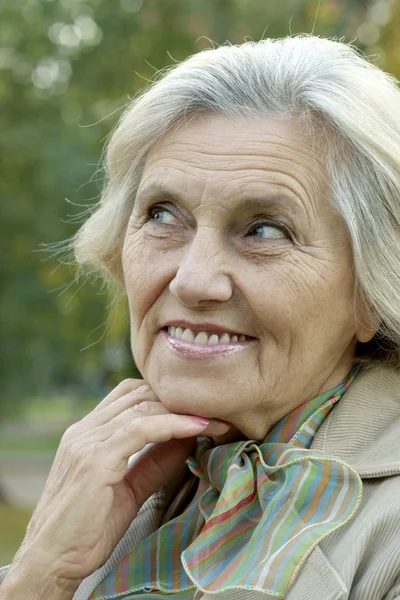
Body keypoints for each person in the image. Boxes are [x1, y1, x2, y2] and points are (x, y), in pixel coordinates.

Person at [1, 34, 400, 600]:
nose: (192, 280)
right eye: (163, 215)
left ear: (371, 289)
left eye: (265, 230)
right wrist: (42, 574)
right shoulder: (111, 476)